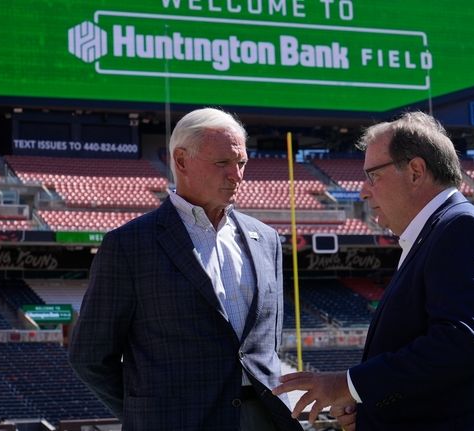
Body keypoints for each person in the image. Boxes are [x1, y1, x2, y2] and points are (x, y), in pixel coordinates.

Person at [273, 111, 474, 431]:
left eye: (373, 176)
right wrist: (369, 406)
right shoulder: (438, 232)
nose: (363, 191)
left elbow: (460, 344)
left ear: (416, 171)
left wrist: (348, 384)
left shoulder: (462, 227)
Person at [69, 107, 302, 431]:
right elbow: (90, 357)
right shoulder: (129, 245)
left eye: (242, 163)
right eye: (223, 163)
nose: (237, 176)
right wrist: (149, 416)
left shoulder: (266, 239)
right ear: (181, 161)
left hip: (264, 419)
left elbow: (265, 344)